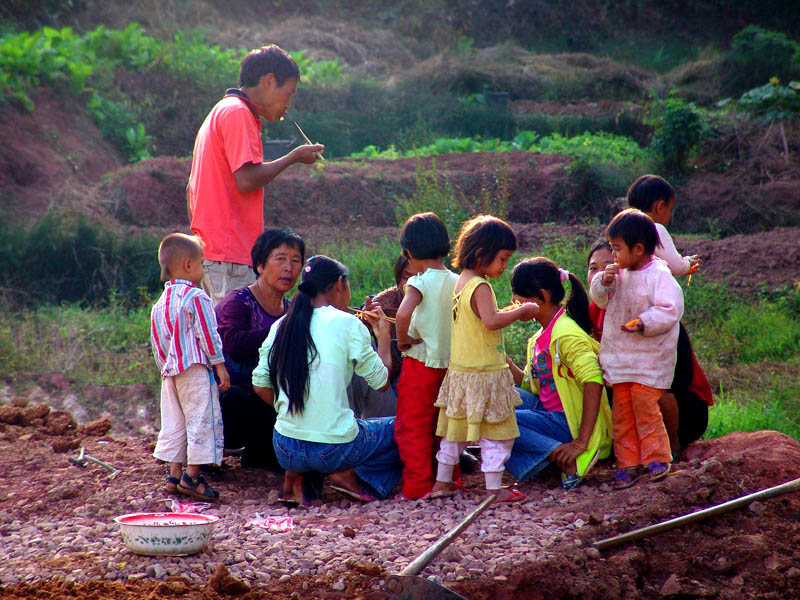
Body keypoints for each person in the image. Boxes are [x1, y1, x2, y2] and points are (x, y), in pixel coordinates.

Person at [252, 256, 402, 504]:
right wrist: (383, 337)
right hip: (333, 450)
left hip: (285, 446)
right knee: (405, 427)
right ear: (339, 285)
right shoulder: (347, 323)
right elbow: (381, 382)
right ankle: (350, 475)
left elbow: (259, 385)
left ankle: (297, 480)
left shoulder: (281, 325)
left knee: (311, 436)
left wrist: (288, 408)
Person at [187, 44, 324, 305]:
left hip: (213, 250)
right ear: (269, 81)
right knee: (232, 340)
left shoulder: (220, 111)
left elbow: (189, 189)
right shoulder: (239, 114)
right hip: (229, 256)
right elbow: (246, 179)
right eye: (288, 94)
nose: (288, 104)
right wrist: (294, 157)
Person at [430, 215, 539, 503]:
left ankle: (442, 482)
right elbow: (491, 321)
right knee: (497, 431)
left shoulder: (462, 282)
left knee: (455, 431)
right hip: (485, 373)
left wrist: (507, 310)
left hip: (462, 371)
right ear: (481, 255)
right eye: (502, 259)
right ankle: (493, 488)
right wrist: (520, 312)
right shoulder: (480, 285)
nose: (504, 266)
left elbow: (480, 318)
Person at [586, 240, 713, 458]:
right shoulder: (595, 310)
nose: (602, 273)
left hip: (681, 405)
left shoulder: (657, 317)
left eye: (609, 265)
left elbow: (671, 382)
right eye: (593, 268)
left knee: (647, 386)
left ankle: (672, 447)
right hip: (631, 395)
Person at [590, 209, 683, 489]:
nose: (613, 256)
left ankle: (657, 459)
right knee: (622, 413)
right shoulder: (619, 274)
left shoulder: (659, 275)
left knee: (645, 408)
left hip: (649, 359)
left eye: (617, 249)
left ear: (639, 248)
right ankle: (627, 464)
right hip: (622, 360)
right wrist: (602, 282)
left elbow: (670, 310)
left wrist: (644, 322)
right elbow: (601, 300)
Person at [625, 175, 714, 457]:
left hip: (630, 318)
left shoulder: (622, 229)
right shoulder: (655, 229)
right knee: (665, 383)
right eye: (670, 210)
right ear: (661, 206)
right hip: (658, 318)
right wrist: (688, 265)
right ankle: (673, 444)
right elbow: (674, 264)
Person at [505, 258, 613, 490]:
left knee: (496, 419)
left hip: (568, 422)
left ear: (541, 296)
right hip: (548, 412)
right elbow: (529, 384)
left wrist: (581, 442)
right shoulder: (539, 337)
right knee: (497, 396)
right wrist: (501, 360)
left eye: (518, 296)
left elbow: (593, 380)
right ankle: (548, 453)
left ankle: (563, 456)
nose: (514, 302)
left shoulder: (565, 335)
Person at [214, 228, 304, 470]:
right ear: (261, 265)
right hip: (230, 397)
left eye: (296, 261)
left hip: (267, 398)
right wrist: (282, 328)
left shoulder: (289, 310)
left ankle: (260, 454)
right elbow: (233, 344)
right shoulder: (238, 303)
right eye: (281, 259)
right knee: (234, 398)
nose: (289, 268)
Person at [150, 233, 230, 501]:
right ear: (187, 265)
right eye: (201, 264)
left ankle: (174, 476)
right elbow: (207, 333)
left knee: (176, 422)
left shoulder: (159, 304)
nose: (203, 269)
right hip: (196, 370)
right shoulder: (196, 297)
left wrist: (166, 368)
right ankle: (191, 476)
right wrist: (219, 366)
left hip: (170, 373)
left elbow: (157, 343)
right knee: (201, 420)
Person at [393, 213, 459, 500]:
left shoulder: (419, 282)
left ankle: (419, 484)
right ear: (446, 246)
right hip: (453, 365)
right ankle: (449, 480)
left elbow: (403, 313)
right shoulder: (460, 281)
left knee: (414, 426)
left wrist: (403, 340)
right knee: (446, 425)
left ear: (408, 252)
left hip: (421, 364)